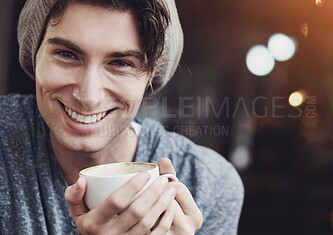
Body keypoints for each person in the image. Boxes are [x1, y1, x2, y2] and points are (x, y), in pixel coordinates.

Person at [0, 0, 244, 234]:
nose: (89, 97)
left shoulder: (206, 183)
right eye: (67, 54)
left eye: (120, 63)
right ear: (35, 54)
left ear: (151, 75)